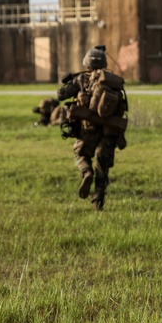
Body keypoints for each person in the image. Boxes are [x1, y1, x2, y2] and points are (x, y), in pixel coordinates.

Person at [56, 45, 128, 211]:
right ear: (103, 63)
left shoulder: (82, 79)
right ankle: (98, 203)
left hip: (88, 129)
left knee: (81, 155)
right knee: (103, 167)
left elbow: (60, 95)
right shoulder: (113, 80)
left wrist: (68, 81)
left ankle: (86, 173)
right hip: (109, 131)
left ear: (87, 63)